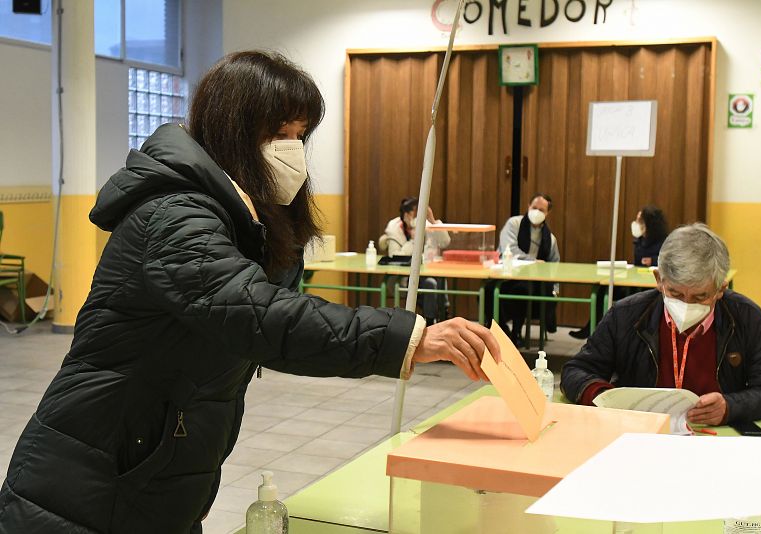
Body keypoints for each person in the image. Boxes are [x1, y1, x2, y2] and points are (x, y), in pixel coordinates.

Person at [0, 51, 501, 533]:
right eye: (278, 133)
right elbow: (258, 314)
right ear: (231, 131)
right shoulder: (175, 217)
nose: (292, 150)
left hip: (154, 469)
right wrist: (407, 338)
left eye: (300, 135)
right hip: (92, 481)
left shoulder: (243, 218)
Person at [561, 223, 761, 425]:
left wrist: (730, 407)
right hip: (642, 435)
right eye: (675, 293)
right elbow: (576, 371)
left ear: (721, 288)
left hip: (717, 438)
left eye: (700, 297)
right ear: (659, 279)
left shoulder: (747, 317)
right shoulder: (626, 315)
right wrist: (605, 398)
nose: (687, 304)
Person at [569, 204, 669, 339]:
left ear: (649, 223)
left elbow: (666, 260)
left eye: (640, 220)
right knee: (601, 289)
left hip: (647, 285)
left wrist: (653, 260)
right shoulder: (640, 240)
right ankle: (592, 329)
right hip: (634, 280)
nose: (636, 223)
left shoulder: (663, 241)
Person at [485, 193, 560, 346]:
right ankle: (502, 330)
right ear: (528, 206)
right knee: (488, 291)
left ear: (548, 213)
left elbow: (554, 265)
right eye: (534, 208)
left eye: (542, 210)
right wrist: (533, 261)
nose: (537, 212)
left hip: (532, 281)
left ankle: (517, 332)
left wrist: (555, 289)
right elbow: (509, 248)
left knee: (523, 291)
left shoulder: (550, 239)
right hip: (507, 275)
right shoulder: (514, 224)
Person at [381, 197, 451, 324]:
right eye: (415, 212)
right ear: (406, 215)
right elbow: (395, 256)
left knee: (440, 279)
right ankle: (430, 321)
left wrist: (433, 221)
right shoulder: (394, 228)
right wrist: (414, 240)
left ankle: (443, 315)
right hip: (403, 277)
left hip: (426, 272)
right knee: (431, 284)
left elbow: (445, 242)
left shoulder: (424, 223)